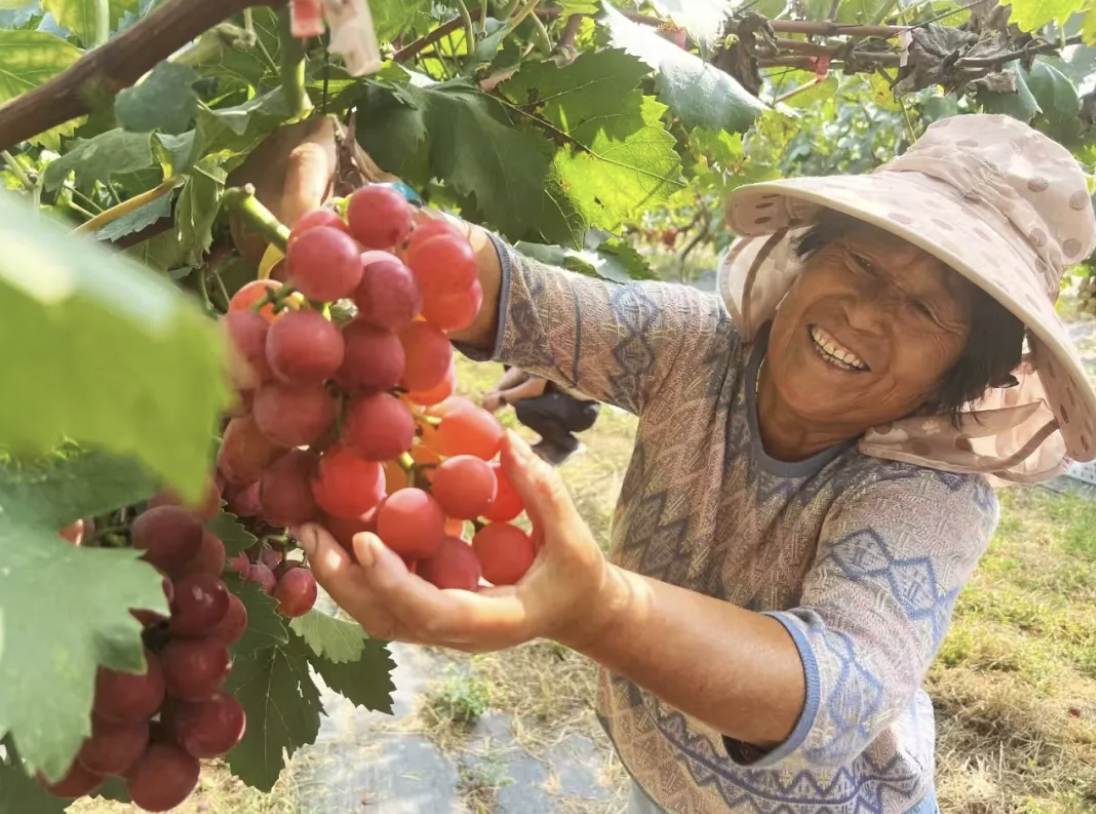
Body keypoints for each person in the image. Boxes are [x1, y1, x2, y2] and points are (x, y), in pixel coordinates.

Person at [295, 115, 1096, 814]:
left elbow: (843, 689)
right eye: (861, 264)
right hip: (661, 776)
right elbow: (513, 294)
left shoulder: (932, 497)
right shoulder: (693, 349)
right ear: (802, 258)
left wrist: (597, 610)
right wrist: (333, 196)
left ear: (963, 374)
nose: (865, 312)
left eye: (925, 309)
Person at [483, 365, 601, 465]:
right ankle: (549, 441)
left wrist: (502, 398)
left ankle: (568, 445)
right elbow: (518, 367)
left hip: (582, 409)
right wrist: (495, 391)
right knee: (510, 367)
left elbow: (535, 388)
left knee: (525, 408)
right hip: (563, 398)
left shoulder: (548, 345)